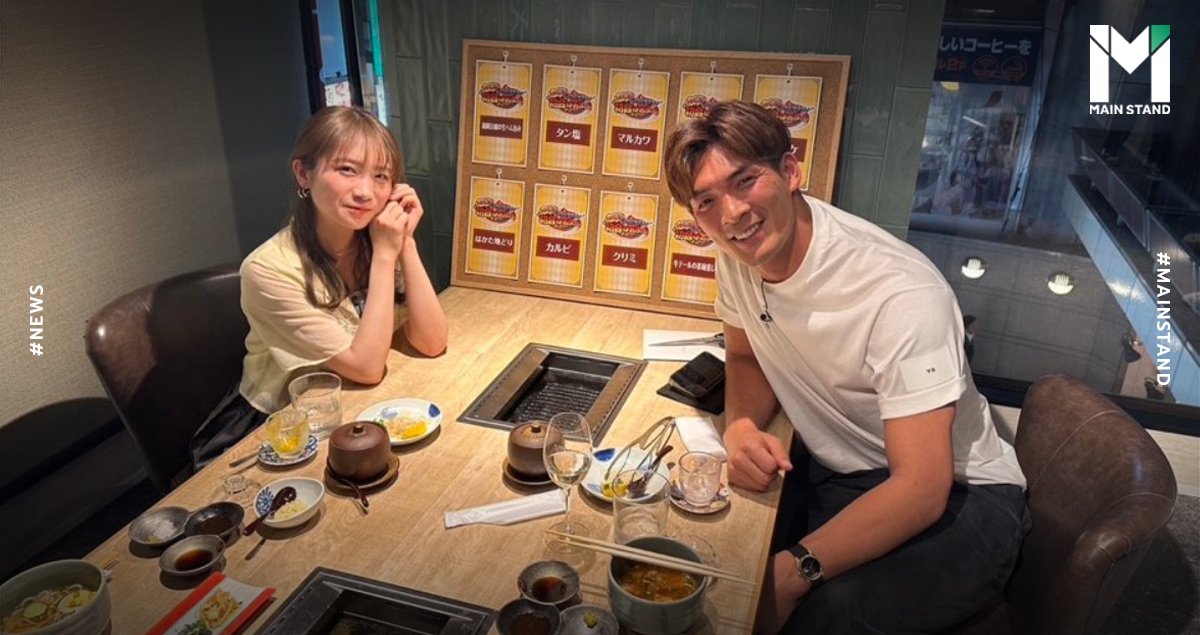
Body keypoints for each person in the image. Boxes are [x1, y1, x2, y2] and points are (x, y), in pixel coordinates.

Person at [663, 101, 1028, 634]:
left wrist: (794, 572)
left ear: (790, 172)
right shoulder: (738, 255)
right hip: (842, 472)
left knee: (822, 613)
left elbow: (922, 488)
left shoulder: (901, 294)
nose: (733, 213)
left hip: (960, 495)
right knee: (711, 553)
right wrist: (739, 427)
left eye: (745, 181)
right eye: (707, 202)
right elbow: (743, 354)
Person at [191, 106, 448, 468]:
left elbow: (432, 342)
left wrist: (405, 241)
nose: (365, 192)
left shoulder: (377, 238)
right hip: (278, 429)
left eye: (381, 176)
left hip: (360, 409)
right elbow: (366, 368)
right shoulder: (267, 270)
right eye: (347, 170)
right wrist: (385, 255)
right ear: (303, 173)